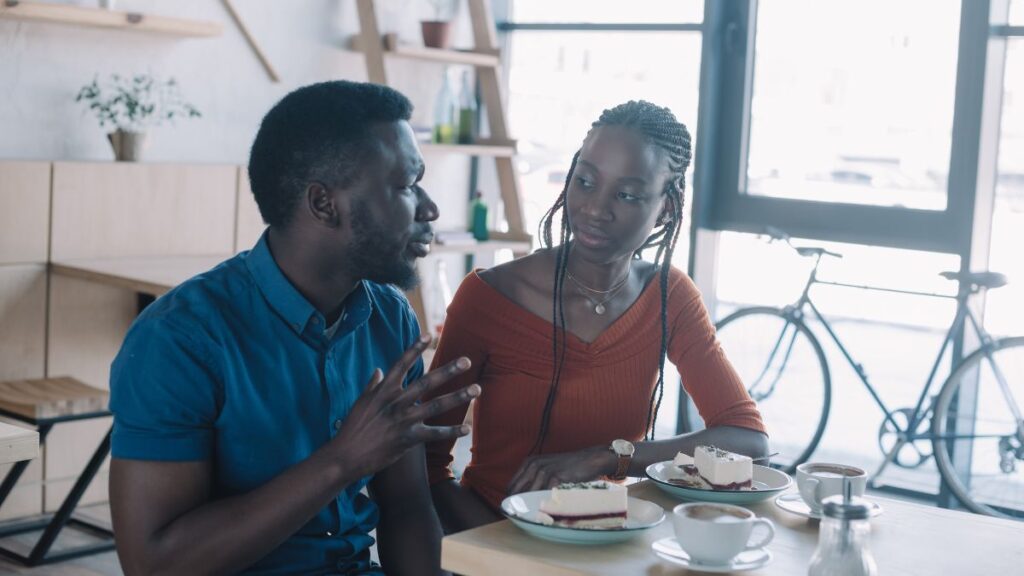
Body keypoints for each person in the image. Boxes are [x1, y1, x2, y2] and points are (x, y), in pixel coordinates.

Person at [108, 81, 480, 575]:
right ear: (324, 204)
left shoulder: (389, 318)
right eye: (406, 186)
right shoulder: (180, 339)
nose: (430, 209)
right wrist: (342, 461)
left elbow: (407, 508)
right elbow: (153, 565)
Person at [425, 101, 769, 532]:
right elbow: (425, 465)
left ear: (665, 207)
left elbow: (748, 439)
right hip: (495, 542)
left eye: (627, 195)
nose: (594, 209)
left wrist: (611, 455)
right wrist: (501, 549)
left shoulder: (669, 297)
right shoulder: (490, 296)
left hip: (610, 543)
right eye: (585, 181)